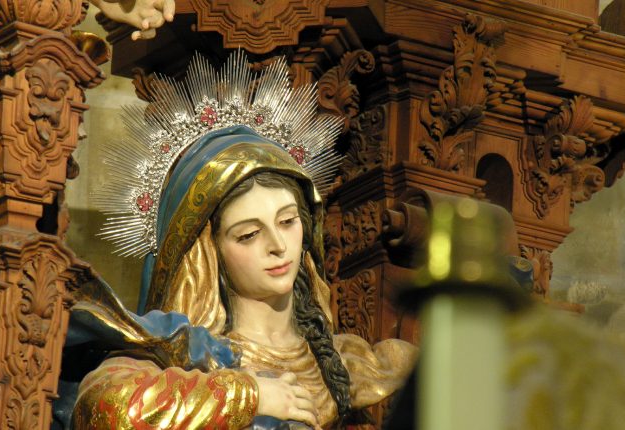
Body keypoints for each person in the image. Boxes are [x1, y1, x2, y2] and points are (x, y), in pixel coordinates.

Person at [66, 52, 418, 429]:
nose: (278, 245)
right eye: (249, 234)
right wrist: (247, 396)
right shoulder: (180, 349)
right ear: (209, 252)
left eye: (288, 222)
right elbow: (106, 410)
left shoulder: (353, 364)